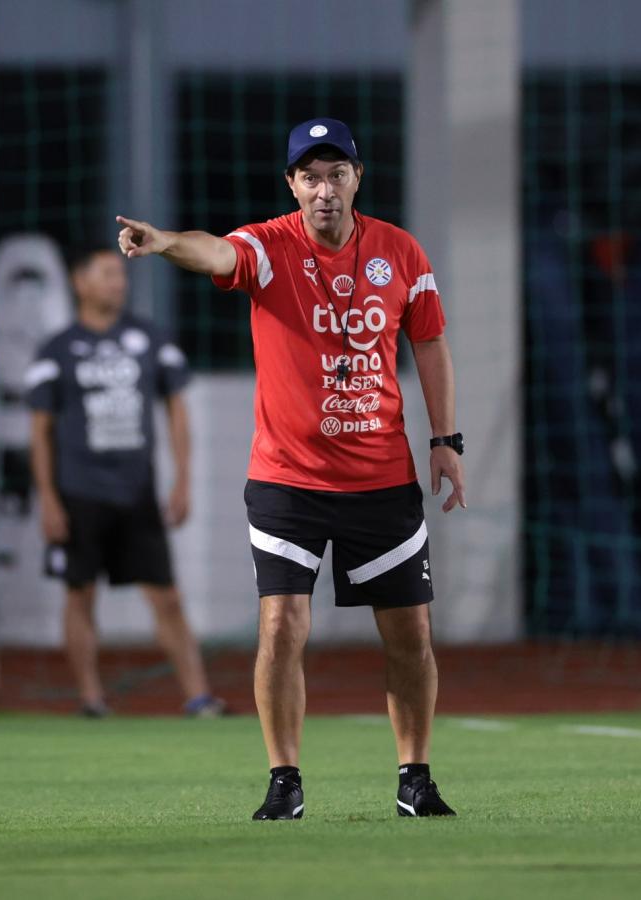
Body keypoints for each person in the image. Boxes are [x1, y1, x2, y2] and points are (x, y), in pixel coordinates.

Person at [115, 117, 466, 819]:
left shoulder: (399, 253)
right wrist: (162, 244)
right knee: (279, 626)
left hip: (380, 481)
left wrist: (445, 438)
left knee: (410, 636)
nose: (323, 187)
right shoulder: (269, 247)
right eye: (309, 175)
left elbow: (427, 343)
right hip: (287, 481)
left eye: (336, 173)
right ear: (291, 185)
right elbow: (215, 254)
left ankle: (415, 778)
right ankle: (284, 781)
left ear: (356, 179)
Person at [26, 245, 225, 718]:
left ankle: (198, 697)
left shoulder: (150, 339)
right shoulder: (55, 351)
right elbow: (39, 431)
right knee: (80, 593)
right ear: (81, 282)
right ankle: (91, 698)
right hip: (79, 493)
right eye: (107, 273)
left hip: (137, 493)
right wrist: (49, 500)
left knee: (167, 597)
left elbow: (177, 409)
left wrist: (182, 482)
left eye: (121, 274)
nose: (119, 281)